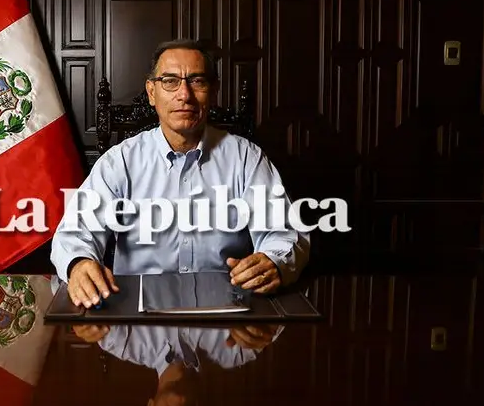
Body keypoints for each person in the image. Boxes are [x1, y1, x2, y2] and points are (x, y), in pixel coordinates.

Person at [50, 39, 309, 307]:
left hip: (228, 320)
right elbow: (75, 233)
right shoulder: (120, 162)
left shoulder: (246, 158)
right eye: (170, 81)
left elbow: (284, 232)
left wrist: (274, 262)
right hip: (135, 320)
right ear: (151, 92)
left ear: (214, 90)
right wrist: (79, 264)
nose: (184, 94)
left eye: (197, 81)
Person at [72, 323, 282, 406]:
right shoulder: (239, 348)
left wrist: (78, 308)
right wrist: (268, 315)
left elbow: (66, 278)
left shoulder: (120, 341)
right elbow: (289, 287)